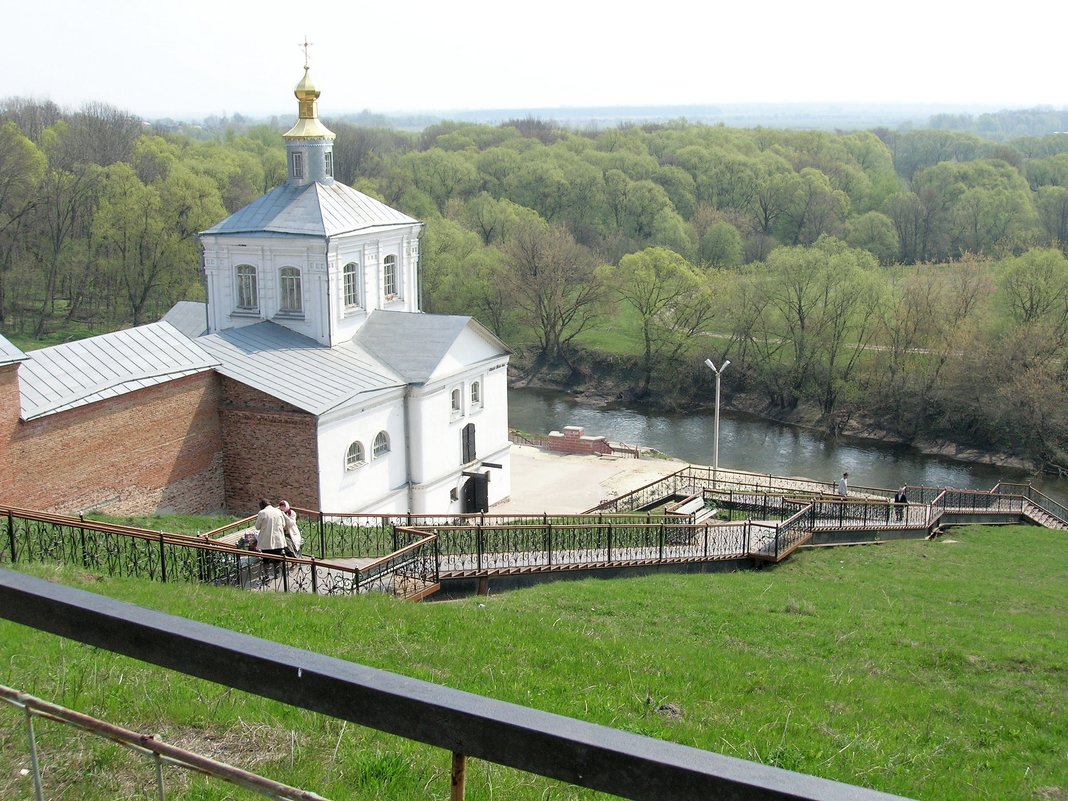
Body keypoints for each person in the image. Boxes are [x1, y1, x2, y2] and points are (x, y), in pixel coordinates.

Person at [254, 498, 287, 579]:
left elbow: (257, 527)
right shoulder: (278, 511)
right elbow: (283, 524)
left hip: (266, 540)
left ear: (262, 506)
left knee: (266, 559)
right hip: (278, 539)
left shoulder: (262, 513)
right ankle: (277, 573)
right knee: (277, 557)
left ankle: (267, 575)